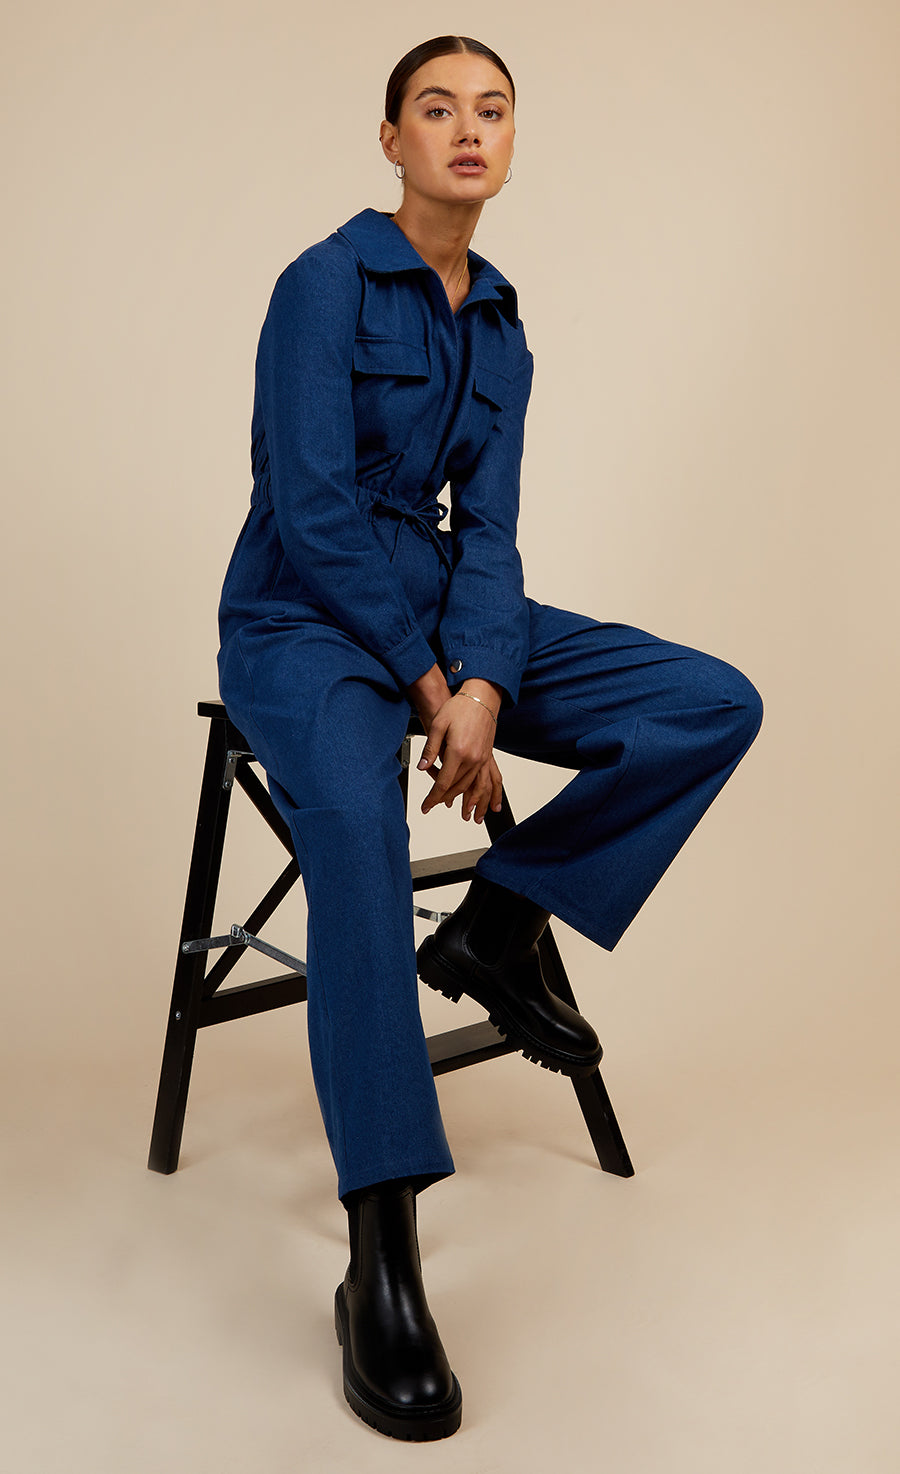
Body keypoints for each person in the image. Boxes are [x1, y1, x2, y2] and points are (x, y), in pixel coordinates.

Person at [216, 35, 763, 1441]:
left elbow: (495, 533)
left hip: (450, 618)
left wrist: (489, 684)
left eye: (493, 110)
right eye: (437, 108)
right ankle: (382, 1252)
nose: (468, 130)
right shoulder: (322, 284)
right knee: (356, 829)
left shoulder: (505, 324)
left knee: (708, 702)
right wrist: (430, 683)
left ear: (512, 142)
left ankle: (501, 925)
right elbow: (312, 507)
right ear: (391, 138)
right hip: (301, 620)